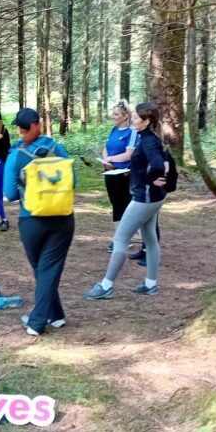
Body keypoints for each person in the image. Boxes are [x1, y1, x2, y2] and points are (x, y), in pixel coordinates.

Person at [84, 102, 167, 300]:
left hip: (144, 198)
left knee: (120, 239)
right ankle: (150, 284)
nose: (134, 121)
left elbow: (157, 166)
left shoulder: (148, 141)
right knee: (150, 239)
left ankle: (106, 286)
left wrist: (144, 179)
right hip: (153, 197)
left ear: (146, 121)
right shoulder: (148, 137)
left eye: (137, 118)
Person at [3, 108, 75, 336]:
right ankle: (57, 314)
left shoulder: (16, 155)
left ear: (31, 126)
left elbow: (10, 193)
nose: (21, 132)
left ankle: (36, 321)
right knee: (48, 269)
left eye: (22, 128)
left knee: (43, 269)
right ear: (39, 125)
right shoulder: (59, 149)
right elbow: (73, 181)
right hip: (63, 218)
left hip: (32, 220)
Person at [101, 100, 138, 251]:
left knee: (125, 206)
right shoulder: (114, 130)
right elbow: (106, 147)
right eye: (113, 113)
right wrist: (106, 160)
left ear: (125, 116)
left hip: (124, 175)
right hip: (110, 173)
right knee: (116, 205)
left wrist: (112, 160)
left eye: (116, 114)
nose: (113, 116)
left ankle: (124, 238)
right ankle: (120, 238)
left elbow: (129, 155)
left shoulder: (132, 132)